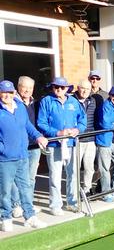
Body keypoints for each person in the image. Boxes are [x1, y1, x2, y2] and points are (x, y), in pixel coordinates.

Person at [0, 80, 48, 231]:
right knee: (5, 190)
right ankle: (5, 217)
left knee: (25, 188)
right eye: (3, 92)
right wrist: (3, 149)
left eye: (9, 92)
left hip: (22, 156)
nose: (7, 95)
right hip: (5, 158)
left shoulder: (20, 106)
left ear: (14, 92)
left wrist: (39, 136)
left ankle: (30, 216)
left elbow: (28, 125)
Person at [37, 77, 87, 215]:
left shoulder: (73, 101)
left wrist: (77, 130)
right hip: (54, 144)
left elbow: (82, 120)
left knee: (73, 174)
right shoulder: (46, 101)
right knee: (55, 175)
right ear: (52, 87)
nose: (59, 89)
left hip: (71, 143)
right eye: (56, 87)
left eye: (62, 87)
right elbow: (41, 123)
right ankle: (55, 205)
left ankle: (72, 202)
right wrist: (58, 133)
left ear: (67, 89)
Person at [10, 76, 41, 219]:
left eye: (30, 87)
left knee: (30, 178)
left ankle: (27, 203)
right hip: (19, 146)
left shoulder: (36, 102)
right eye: (24, 87)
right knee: (17, 179)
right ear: (18, 87)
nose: (27, 90)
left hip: (34, 145)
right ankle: (16, 205)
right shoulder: (12, 102)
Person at [72, 80, 98, 195]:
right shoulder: (71, 101)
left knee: (89, 167)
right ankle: (75, 190)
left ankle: (87, 189)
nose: (85, 91)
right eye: (82, 88)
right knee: (75, 168)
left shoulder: (92, 101)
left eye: (87, 89)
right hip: (77, 140)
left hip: (90, 138)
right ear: (78, 88)